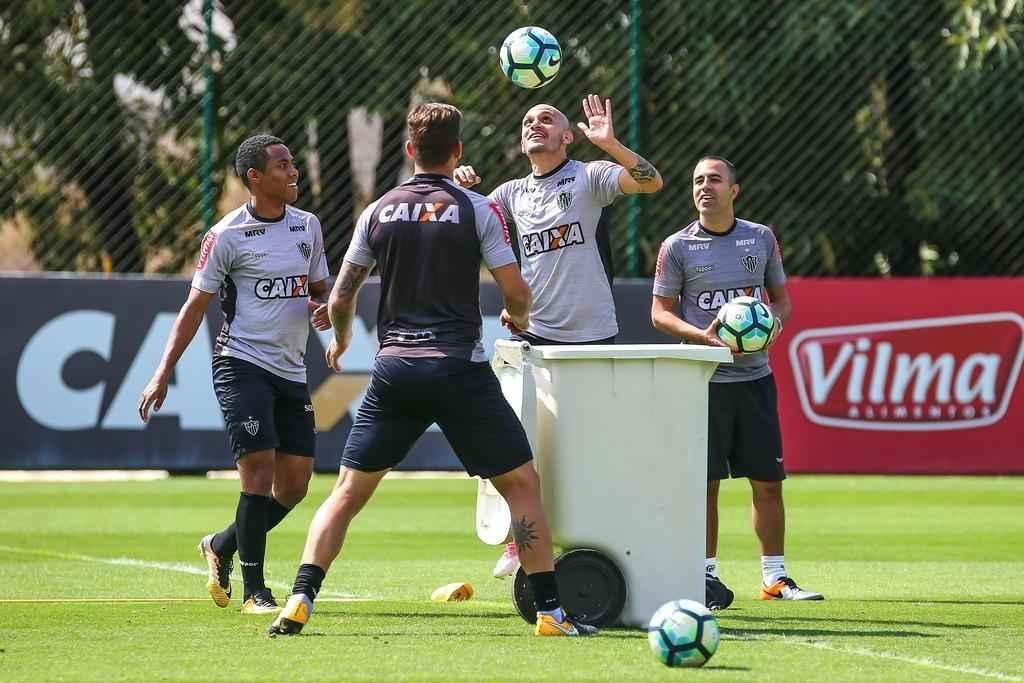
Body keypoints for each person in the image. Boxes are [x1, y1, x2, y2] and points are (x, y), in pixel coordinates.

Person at [267, 103, 598, 638]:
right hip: (459, 370)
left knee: (348, 493)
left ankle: (299, 598)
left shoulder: (377, 211)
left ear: (408, 152)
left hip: (395, 369)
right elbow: (516, 293)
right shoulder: (475, 210)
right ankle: (551, 614)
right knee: (522, 485)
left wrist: (344, 337)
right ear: (459, 152)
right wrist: (516, 316)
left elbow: (344, 293)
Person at [454, 94, 663, 577]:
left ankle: (596, 540)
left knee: (588, 450)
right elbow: (464, 221)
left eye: (547, 120)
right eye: (528, 120)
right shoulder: (508, 195)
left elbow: (652, 182)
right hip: (535, 337)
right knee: (516, 445)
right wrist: (458, 183)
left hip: (591, 335)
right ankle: (517, 540)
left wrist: (611, 145)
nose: (535, 125)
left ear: (567, 137)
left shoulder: (589, 176)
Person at [138, 134, 332, 614]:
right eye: (283, 165)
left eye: (291, 163)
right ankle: (255, 593)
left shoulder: (308, 227)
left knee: (295, 485)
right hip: (240, 363)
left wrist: (330, 315)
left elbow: (323, 292)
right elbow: (193, 308)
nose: (293, 172)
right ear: (255, 177)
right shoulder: (226, 235)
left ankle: (221, 545)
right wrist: (162, 372)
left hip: (290, 369)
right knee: (258, 474)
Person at [651, 155, 823, 606]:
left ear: (734, 190)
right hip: (703, 382)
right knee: (705, 485)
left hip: (754, 380)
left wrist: (772, 327)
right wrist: (702, 337)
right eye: (697, 181)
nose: (704, 187)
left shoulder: (760, 238)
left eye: (714, 179)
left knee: (768, 481)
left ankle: (775, 577)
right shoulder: (678, 246)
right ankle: (704, 578)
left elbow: (781, 301)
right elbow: (659, 313)